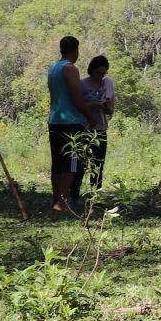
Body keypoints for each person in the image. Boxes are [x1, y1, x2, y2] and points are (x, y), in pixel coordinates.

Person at [46, 35, 92, 213]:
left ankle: (56, 200)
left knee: (57, 163)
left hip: (54, 120)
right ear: (75, 50)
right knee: (72, 163)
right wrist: (90, 116)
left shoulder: (53, 68)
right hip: (71, 122)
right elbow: (77, 98)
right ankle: (62, 202)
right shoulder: (70, 68)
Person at [80, 54, 116, 190]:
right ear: (91, 70)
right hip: (83, 128)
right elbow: (75, 105)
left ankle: (95, 194)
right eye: (97, 72)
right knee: (81, 163)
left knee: (98, 164)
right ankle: (74, 194)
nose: (100, 76)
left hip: (100, 129)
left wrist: (106, 107)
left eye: (103, 73)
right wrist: (91, 104)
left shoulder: (107, 85)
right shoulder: (82, 84)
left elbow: (111, 110)